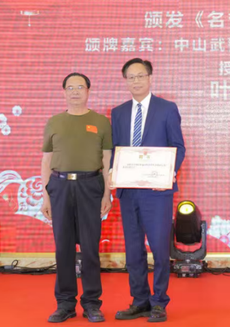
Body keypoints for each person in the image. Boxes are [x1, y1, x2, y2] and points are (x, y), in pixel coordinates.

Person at [109, 58, 186, 323]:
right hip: (128, 191)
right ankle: (139, 300)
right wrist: (113, 173)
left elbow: (178, 146)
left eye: (140, 76)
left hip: (156, 191)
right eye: (131, 77)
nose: (136, 81)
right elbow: (116, 150)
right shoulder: (118, 113)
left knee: (160, 249)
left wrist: (168, 171)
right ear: (125, 81)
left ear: (150, 78)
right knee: (133, 251)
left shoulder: (167, 108)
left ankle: (159, 302)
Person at [40, 72, 113, 323]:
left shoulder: (101, 122)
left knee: (90, 248)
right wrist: (46, 196)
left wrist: (107, 193)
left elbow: (107, 160)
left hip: (91, 186)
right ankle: (65, 304)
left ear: (88, 91)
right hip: (59, 187)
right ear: (64, 92)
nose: (75, 92)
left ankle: (92, 303)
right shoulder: (54, 122)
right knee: (63, 248)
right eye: (70, 88)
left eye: (80, 87)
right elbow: (46, 161)